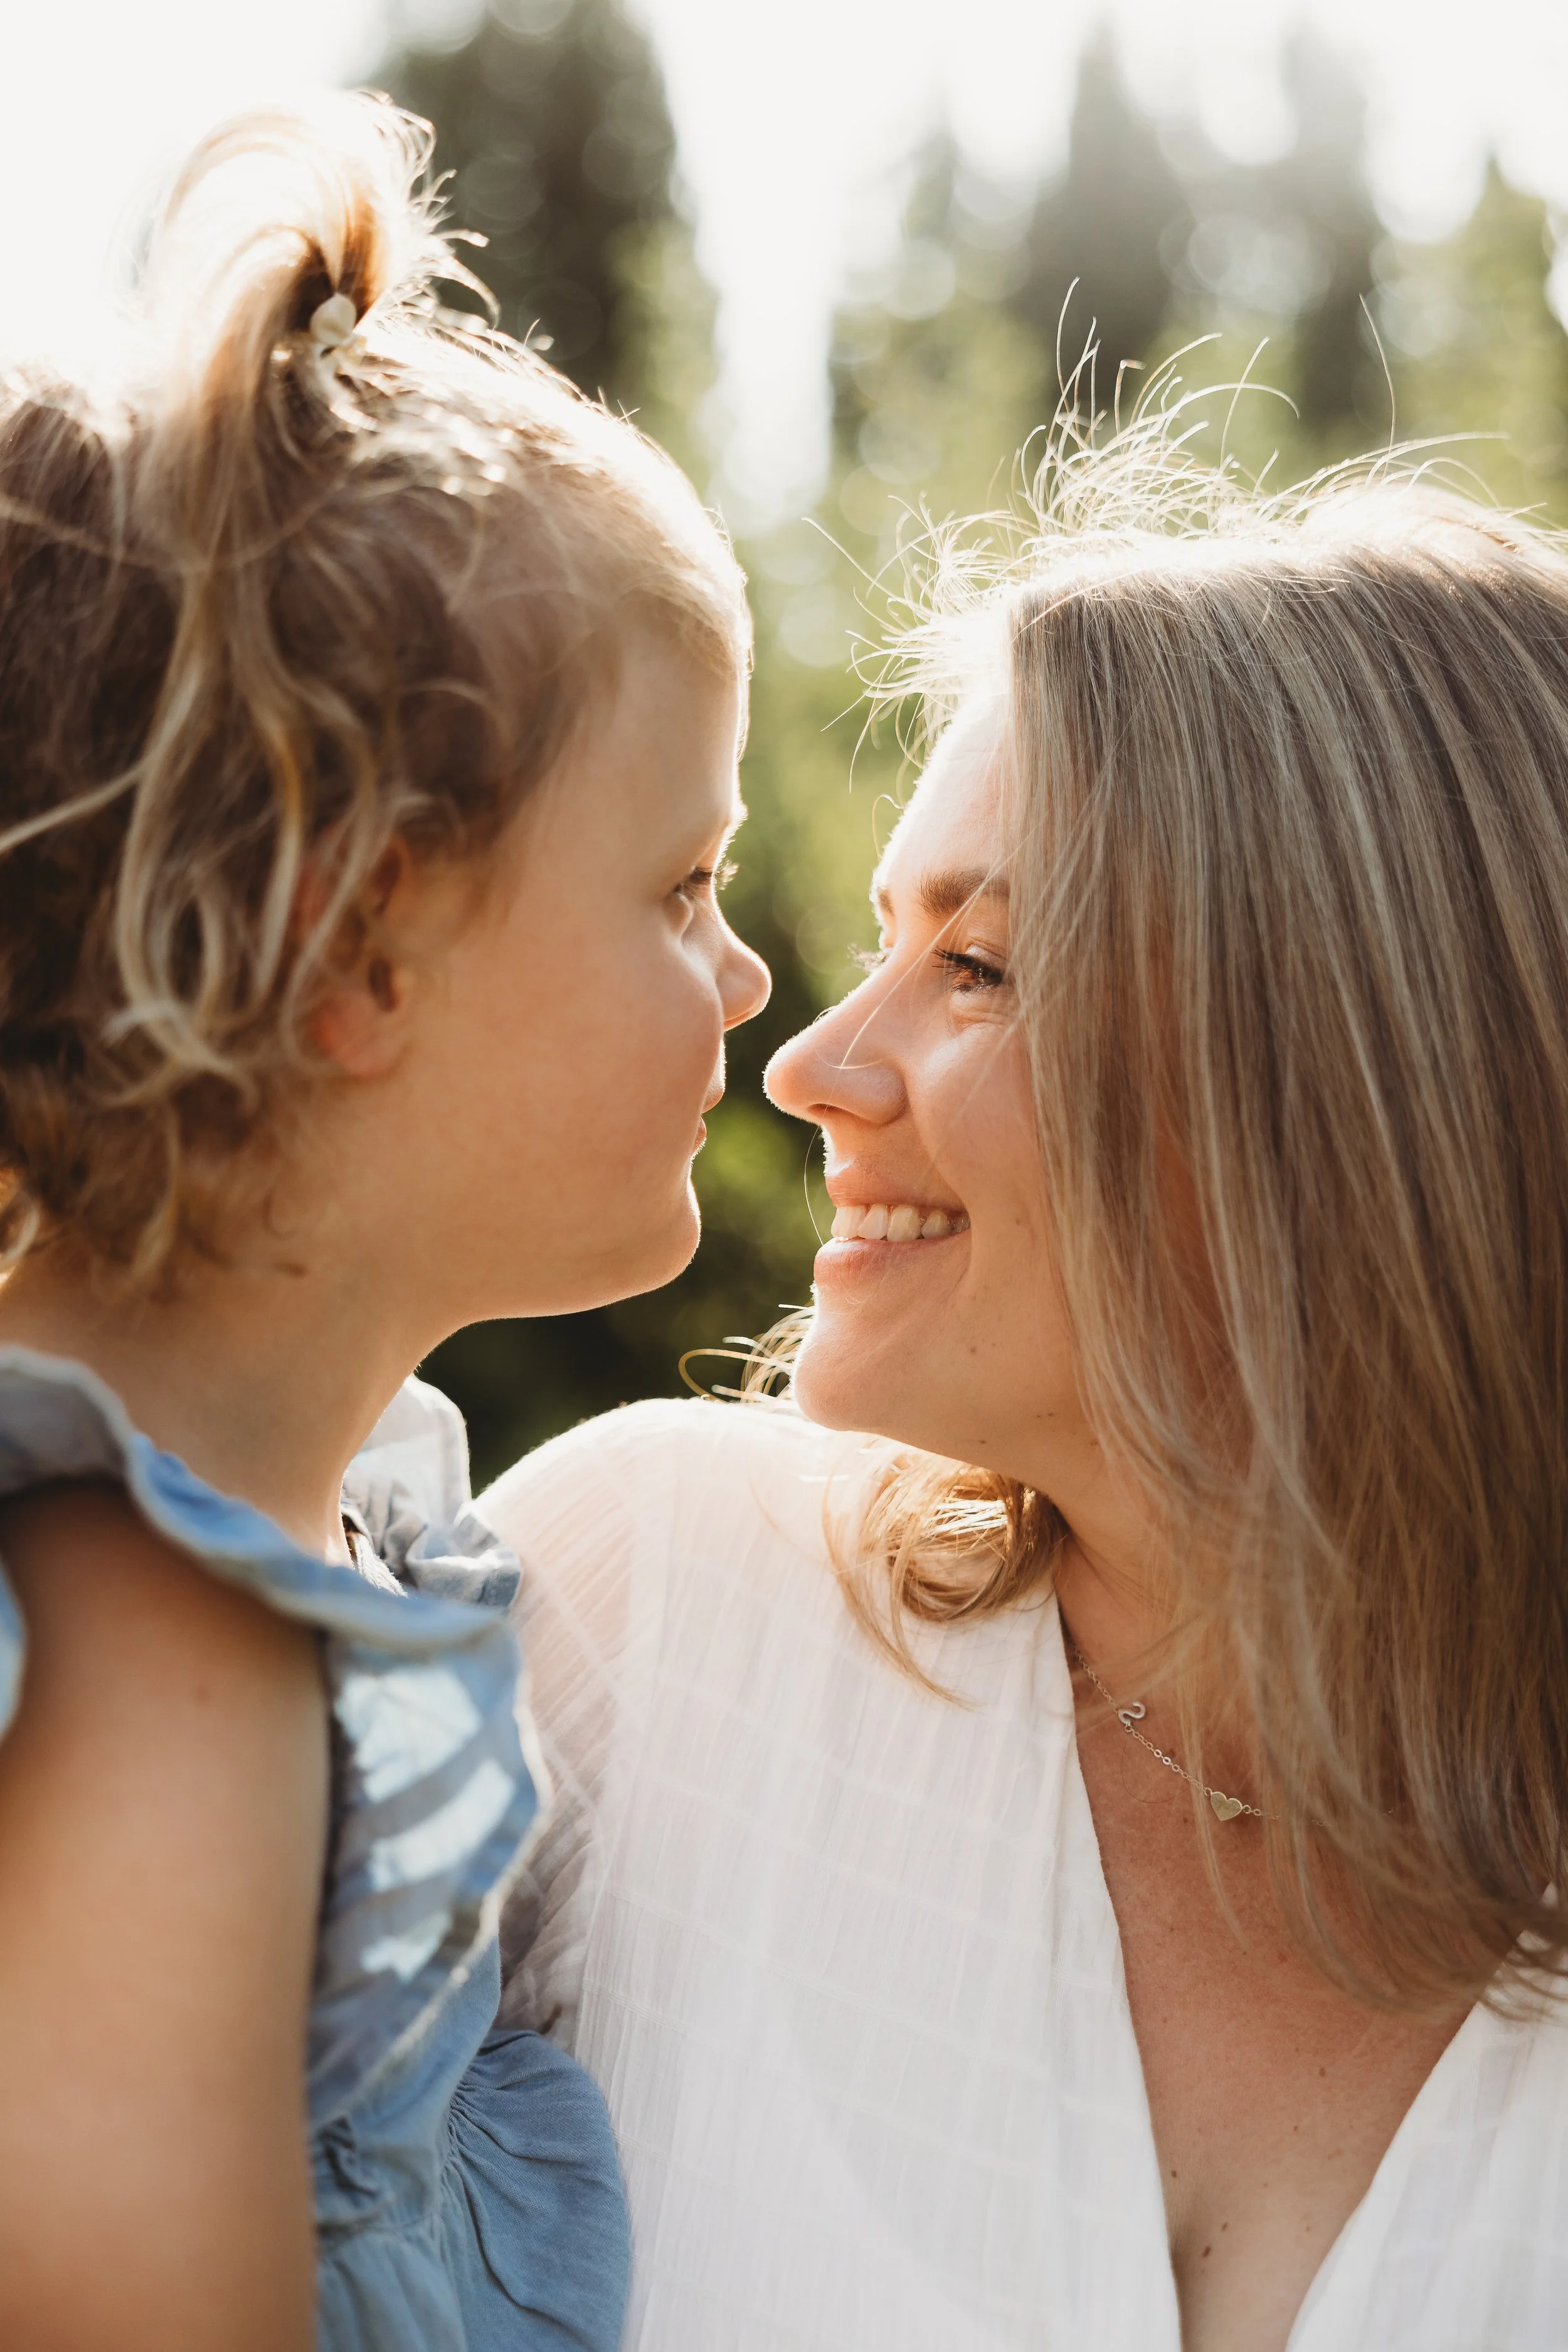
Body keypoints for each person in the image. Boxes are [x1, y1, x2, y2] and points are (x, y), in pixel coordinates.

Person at [483, 435, 1568, 2352]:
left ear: (1344, 1086)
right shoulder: (641, 1616)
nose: (812, 1064)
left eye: (973, 965)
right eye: (879, 944)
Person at [0, 94, 768, 2352]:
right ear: (361, 953)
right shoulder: (111, 1674)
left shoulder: (363, 1559)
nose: (743, 982)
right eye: (681, 889)